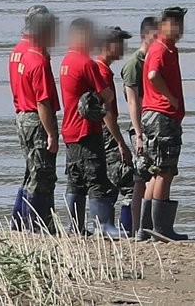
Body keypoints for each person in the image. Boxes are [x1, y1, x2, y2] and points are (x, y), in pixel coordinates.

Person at [59, 18, 131, 238]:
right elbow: (107, 96)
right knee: (96, 178)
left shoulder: (66, 61)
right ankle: (104, 225)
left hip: (69, 129)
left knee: (75, 180)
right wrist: (119, 141)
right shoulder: (86, 63)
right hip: (86, 129)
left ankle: (75, 226)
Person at [139, 7, 189, 241]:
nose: (179, 30)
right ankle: (160, 229)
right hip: (161, 115)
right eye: (175, 24)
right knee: (164, 171)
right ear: (164, 25)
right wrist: (170, 97)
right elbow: (152, 76)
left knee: (155, 172)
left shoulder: (166, 48)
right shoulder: (160, 48)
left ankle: (145, 229)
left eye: (181, 24)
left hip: (156, 115)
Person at [10, 7, 61, 232]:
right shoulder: (37, 59)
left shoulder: (18, 51)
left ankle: (19, 223)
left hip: (22, 116)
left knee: (31, 171)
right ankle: (38, 225)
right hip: (35, 118)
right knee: (42, 174)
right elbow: (43, 101)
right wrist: (52, 133)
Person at [95, 26, 136, 233]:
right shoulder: (101, 71)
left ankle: (109, 226)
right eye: (119, 43)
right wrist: (120, 142)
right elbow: (106, 112)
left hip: (101, 132)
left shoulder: (102, 69)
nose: (122, 48)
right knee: (128, 181)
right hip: (106, 133)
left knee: (108, 182)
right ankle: (126, 229)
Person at [121, 17, 158, 236]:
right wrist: (139, 134)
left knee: (148, 175)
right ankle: (139, 229)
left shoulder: (152, 59)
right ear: (144, 36)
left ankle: (147, 227)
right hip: (141, 127)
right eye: (155, 36)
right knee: (141, 178)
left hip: (152, 125)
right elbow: (133, 101)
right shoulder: (135, 63)